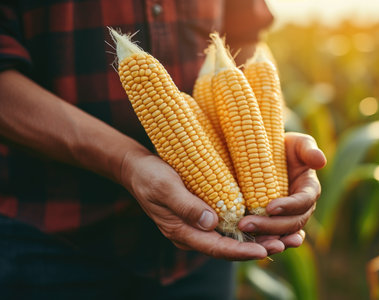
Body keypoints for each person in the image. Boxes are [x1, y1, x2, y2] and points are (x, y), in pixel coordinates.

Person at [0, 0, 326, 299]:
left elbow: (246, 38)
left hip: (203, 257)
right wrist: (127, 162)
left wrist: (270, 144)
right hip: (52, 241)